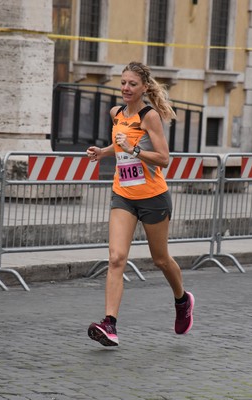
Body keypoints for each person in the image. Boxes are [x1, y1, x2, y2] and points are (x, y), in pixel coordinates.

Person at [85, 61, 194, 346]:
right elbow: (119, 145)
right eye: (123, 82)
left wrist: (135, 149)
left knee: (160, 259)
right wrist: (103, 151)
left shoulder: (150, 117)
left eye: (132, 84)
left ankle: (182, 300)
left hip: (153, 196)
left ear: (144, 87)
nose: (125, 88)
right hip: (123, 195)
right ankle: (110, 324)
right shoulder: (116, 113)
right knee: (116, 258)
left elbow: (164, 159)